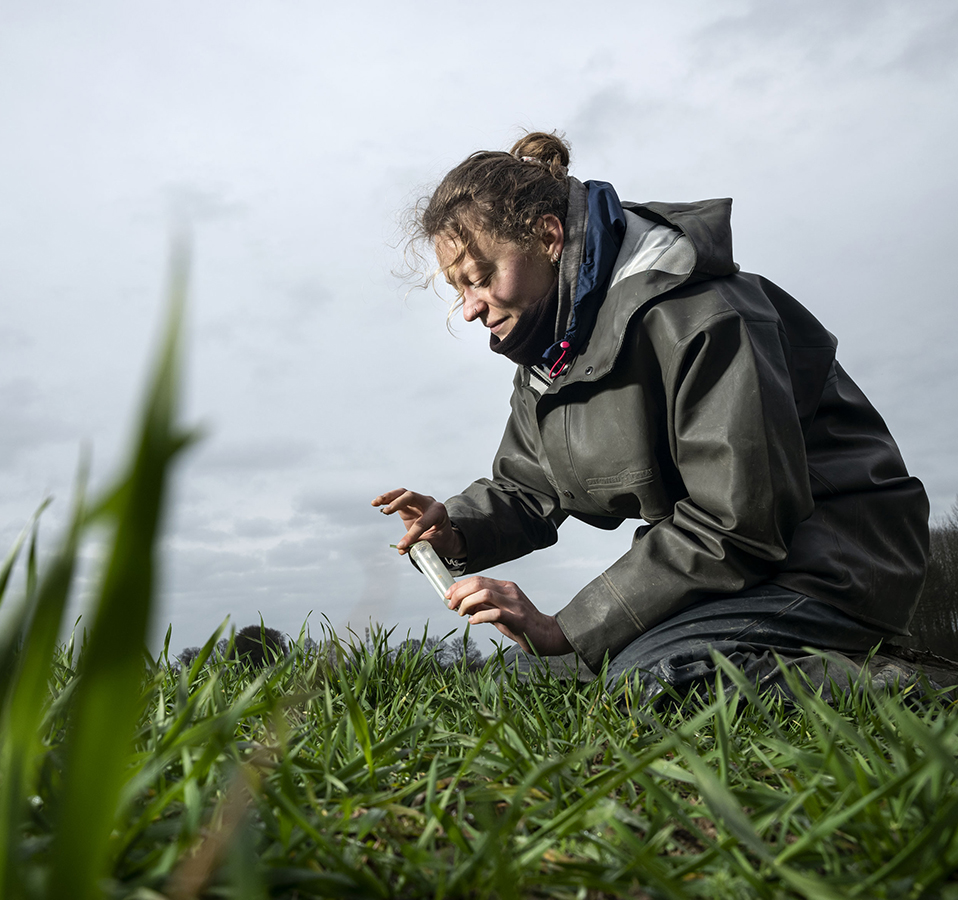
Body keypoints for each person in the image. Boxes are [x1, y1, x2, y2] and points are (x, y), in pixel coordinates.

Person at [373, 130, 929, 701]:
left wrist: (564, 627)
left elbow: (736, 522)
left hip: (824, 566)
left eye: (482, 277)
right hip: (728, 577)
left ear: (547, 236)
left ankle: (922, 696)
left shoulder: (703, 315)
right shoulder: (550, 354)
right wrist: (456, 528)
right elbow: (527, 487)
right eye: (459, 288)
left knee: (655, 683)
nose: (469, 310)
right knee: (523, 684)